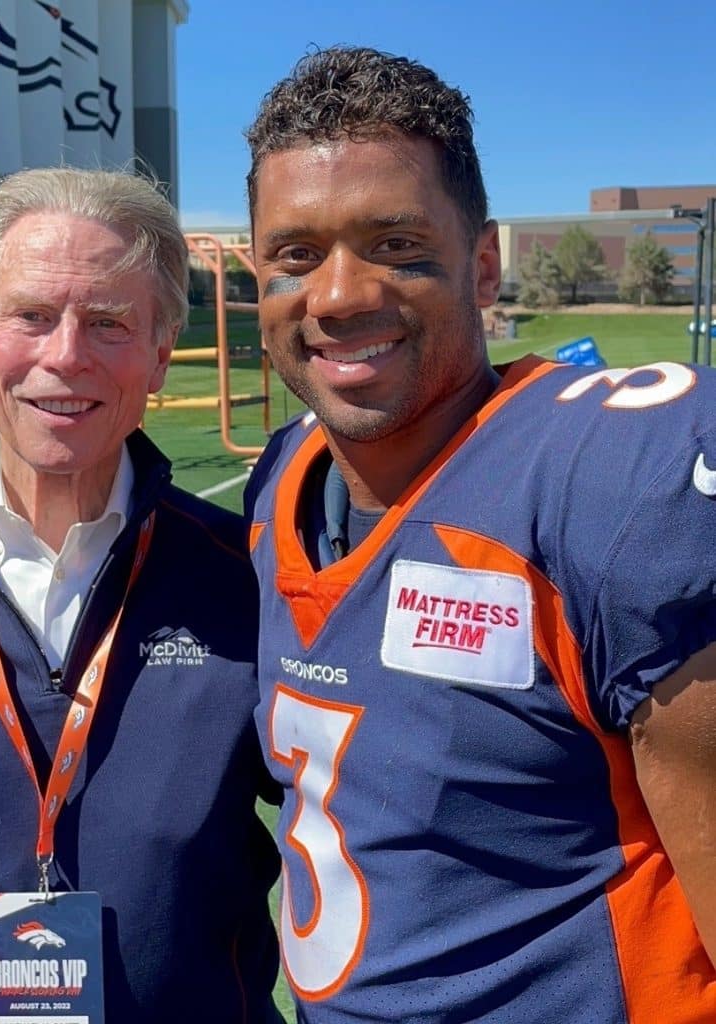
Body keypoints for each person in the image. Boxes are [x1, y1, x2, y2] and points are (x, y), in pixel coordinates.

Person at [243, 46, 716, 1023]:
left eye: (396, 244)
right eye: (296, 255)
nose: (337, 296)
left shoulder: (607, 484)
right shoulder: (281, 480)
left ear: (484, 262)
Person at [0, 167, 281, 1023]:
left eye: (110, 323)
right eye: (31, 316)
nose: (66, 355)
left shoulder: (251, 579)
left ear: (160, 353)